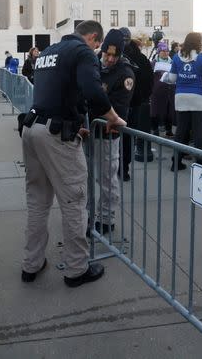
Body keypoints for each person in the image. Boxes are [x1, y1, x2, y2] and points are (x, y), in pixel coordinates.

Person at [20, 20, 126, 287]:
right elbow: (92, 92)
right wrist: (114, 118)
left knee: (37, 202)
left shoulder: (47, 52)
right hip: (56, 136)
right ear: (92, 37)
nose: (97, 49)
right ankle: (76, 269)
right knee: (74, 202)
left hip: (32, 129)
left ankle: (31, 265)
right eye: (98, 44)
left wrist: (77, 122)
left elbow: (60, 92)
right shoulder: (82, 52)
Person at [90, 29, 134, 234]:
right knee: (87, 177)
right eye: (106, 54)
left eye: (113, 56)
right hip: (88, 131)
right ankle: (89, 216)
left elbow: (120, 107)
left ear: (120, 55)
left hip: (108, 134)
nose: (108, 59)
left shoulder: (125, 73)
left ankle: (106, 218)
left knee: (107, 179)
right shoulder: (92, 63)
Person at [163, 32, 202, 170]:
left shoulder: (176, 57)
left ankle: (176, 162)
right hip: (198, 98)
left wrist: (165, 77)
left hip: (181, 97)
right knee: (198, 133)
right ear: (198, 43)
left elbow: (172, 79)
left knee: (181, 131)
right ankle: (200, 165)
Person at [120, 27, 154, 177]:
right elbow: (149, 82)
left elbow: (148, 82)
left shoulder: (117, 55)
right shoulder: (141, 58)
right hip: (132, 104)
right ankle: (124, 168)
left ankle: (119, 167)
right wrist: (142, 98)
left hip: (123, 104)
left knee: (118, 137)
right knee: (127, 137)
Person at [150, 41, 175, 138]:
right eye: (163, 51)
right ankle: (155, 129)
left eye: (167, 51)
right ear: (159, 52)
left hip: (170, 90)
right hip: (157, 92)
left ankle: (169, 130)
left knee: (169, 112)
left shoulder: (172, 62)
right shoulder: (154, 63)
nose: (165, 53)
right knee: (155, 111)